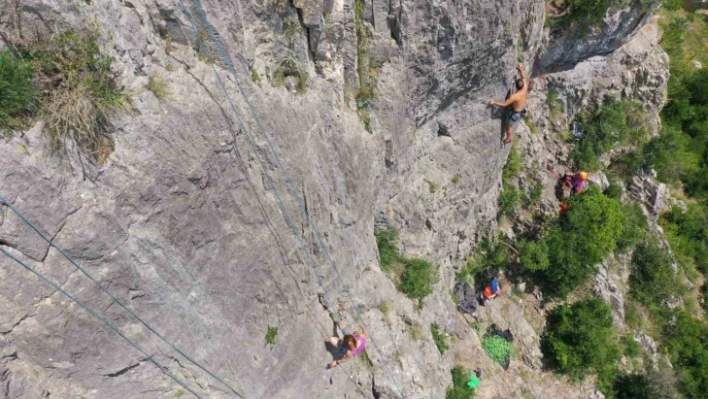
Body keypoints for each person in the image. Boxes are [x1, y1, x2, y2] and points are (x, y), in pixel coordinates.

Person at [489, 63, 529, 144]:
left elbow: (505, 104)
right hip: (522, 108)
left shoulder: (514, 96)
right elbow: (523, 77)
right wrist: (520, 68)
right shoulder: (525, 86)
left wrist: (494, 102)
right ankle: (525, 114)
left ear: (516, 86)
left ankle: (508, 138)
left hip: (515, 113)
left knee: (508, 127)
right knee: (521, 110)